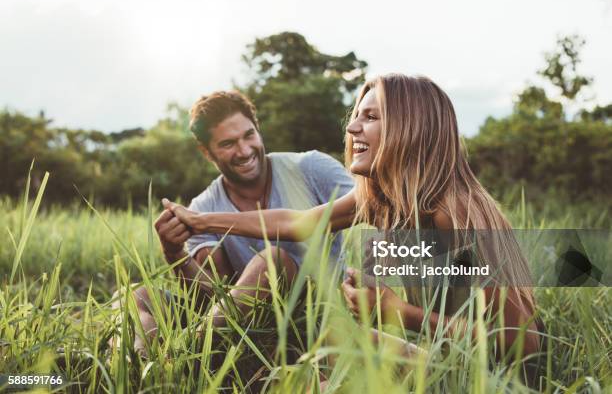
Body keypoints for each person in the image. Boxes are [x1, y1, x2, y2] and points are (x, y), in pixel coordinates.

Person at [164, 74, 541, 360]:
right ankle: (193, 359)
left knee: (336, 354)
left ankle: (188, 359)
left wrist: (399, 313)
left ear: (410, 129)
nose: (351, 127)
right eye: (356, 116)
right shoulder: (381, 199)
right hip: (445, 353)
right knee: (322, 344)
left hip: (490, 374)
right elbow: (298, 223)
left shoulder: (454, 214)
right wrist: (202, 222)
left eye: (371, 117)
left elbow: (523, 343)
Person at [114, 90, 353, 353]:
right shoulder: (203, 206)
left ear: (258, 129)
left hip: (316, 313)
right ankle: (141, 357)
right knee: (134, 295)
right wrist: (174, 253)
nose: (244, 150)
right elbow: (212, 295)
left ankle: (183, 352)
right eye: (228, 144)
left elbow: (370, 209)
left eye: (249, 135)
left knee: (273, 261)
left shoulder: (311, 168)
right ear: (207, 152)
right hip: (245, 321)